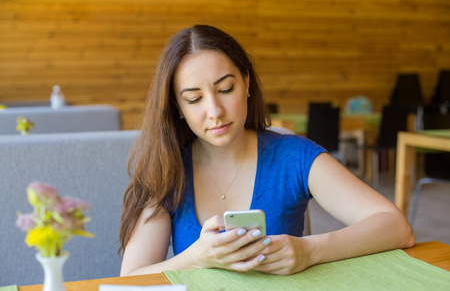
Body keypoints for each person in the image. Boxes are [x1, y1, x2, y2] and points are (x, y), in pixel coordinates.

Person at [119, 24, 415, 276]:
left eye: (225, 89)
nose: (215, 111)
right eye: (194, 99)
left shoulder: (294, 156)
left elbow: (397, 227)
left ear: (246, 83)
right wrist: (196, 258)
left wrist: (308, 250)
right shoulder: (167, 169)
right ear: (178, 108)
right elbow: (130, 279)